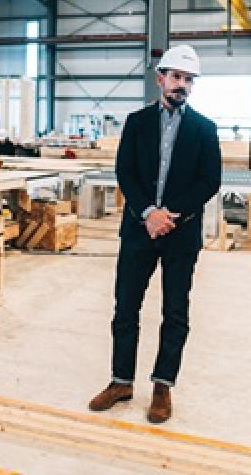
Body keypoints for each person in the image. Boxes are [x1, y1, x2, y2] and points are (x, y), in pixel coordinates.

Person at [88, 44, 221, 424]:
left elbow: (209, 181)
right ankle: (121, 381)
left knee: (175, 311)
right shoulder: (136, 123)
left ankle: (162, 386)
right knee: (125, 308)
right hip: (138, 228)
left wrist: (170, 216)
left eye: (189, 80)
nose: (182, 85)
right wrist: (148, 213)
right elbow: (125, 171)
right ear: (161, 78)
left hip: (179, 234)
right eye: (177, 77)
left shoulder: (204, 129)